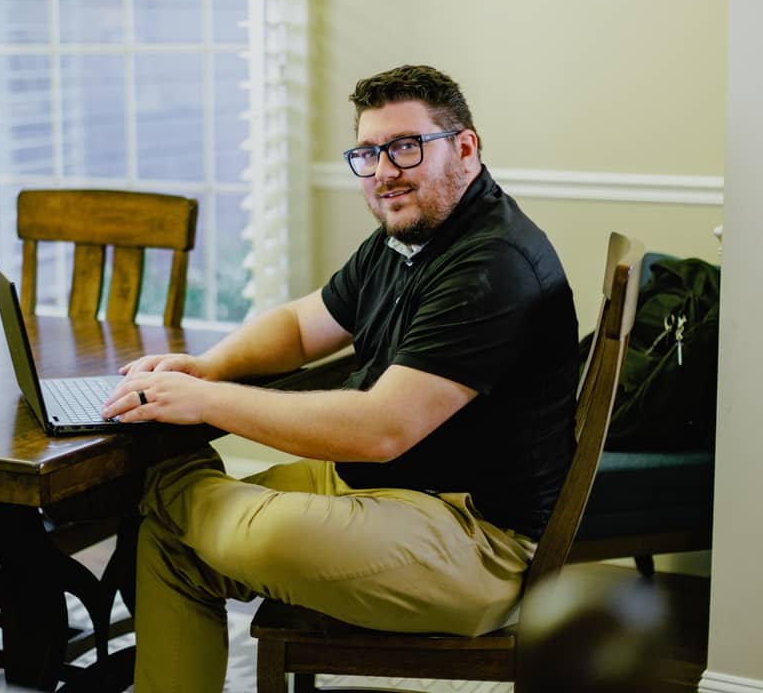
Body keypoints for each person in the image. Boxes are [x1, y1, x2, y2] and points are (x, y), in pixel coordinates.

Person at [101, 64, 579, 693]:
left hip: (476, 537)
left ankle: (143, 496)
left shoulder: (492, 264)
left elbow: (380, 430)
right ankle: (154, 501)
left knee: (248, 529)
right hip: (391, 488)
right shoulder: (407, 237)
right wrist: (207, 367)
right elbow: (303, 326)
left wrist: (205, 401)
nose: (385, 172)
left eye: (406, 147)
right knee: (168, 543)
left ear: (465, 149)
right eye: (369, 153)